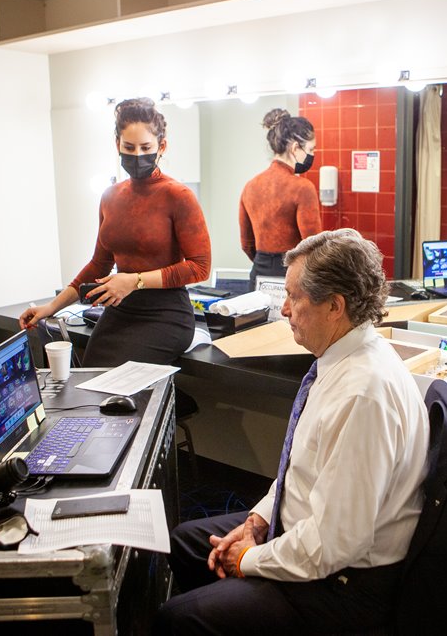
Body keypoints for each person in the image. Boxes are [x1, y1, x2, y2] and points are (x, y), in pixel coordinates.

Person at [154, 229, 429, 634]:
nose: (284, 309)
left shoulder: (363, 394)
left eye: (294, 298)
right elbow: (300, 467)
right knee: (184, 541)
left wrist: (248, 558)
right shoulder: (341, 358)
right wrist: (258, 521)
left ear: (335, 306)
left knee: (175, 618)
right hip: (308, 533)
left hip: (343, 585)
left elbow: (337, 543)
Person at [19, 98, 211, 366]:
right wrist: (52, 307)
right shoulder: (110, 197)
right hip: (118, 313)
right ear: (117, 144)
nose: (136, 155)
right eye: (128, 147)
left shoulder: (178, 196)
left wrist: (134, 281)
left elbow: (200, 267)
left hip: (166, 316)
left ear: (161, 146)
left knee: (113, 389)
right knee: (88, 381)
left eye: (145, 147)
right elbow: (99, 264)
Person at [238, 108, 323, 291]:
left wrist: (266, 262)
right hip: (292, 276)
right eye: (310, 149)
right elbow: (313, 244)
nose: (312, 155)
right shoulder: (302, 187)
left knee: (259, 321)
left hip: (259, 274)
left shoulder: (250, 186)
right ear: (294, 148)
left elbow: (246, 244)